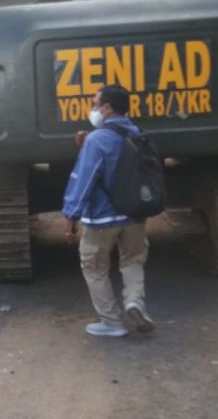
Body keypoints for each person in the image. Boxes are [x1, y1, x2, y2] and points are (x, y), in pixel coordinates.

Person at [61, 85, 156, 337]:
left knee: (94, 266)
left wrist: (70, 216)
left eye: (95, 103)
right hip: (135, 213)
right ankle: (135, 301)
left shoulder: (98, 139)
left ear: (107, 107)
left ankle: (112, 322)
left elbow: (85, 178)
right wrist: (88, 141)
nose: (92, 108)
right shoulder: (138, 134)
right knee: (133, 260)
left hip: (102, 217)